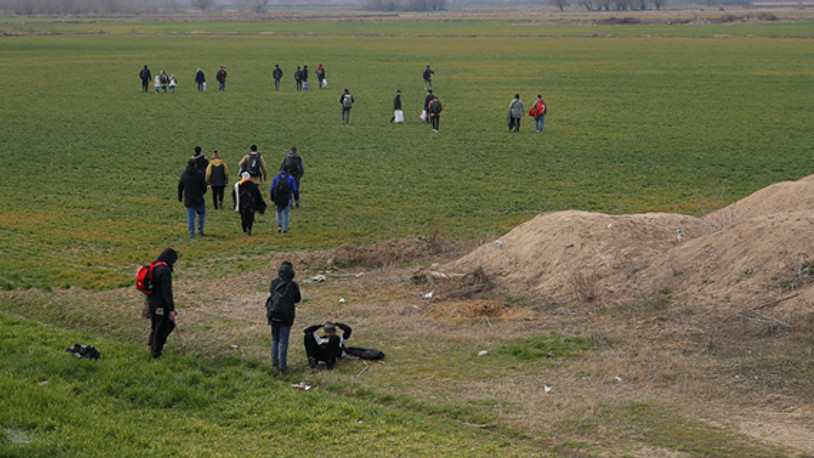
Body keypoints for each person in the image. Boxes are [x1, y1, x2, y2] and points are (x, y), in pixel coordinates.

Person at [267, 261, 301, 375]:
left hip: (273, 314)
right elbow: (297, 299)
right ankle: (283, 368)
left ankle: (275, 365)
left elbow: (271, 293)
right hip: (286, 316)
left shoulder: (274, 282)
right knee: (283, 342)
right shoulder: (293, 285)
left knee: (275, 340)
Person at [145, 248, 179, 359]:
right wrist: (171, 309)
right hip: (160, 304)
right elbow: (167, 292)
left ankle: (150, 345)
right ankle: (156, 354)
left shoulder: (153, 266)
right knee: (163, 328)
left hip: (150, 301)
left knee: (156, 326)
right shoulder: (164, 271)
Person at [178, 158, 207, 238]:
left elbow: (180, 186)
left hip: (188, 199)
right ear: (195, 165)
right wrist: (202, 193)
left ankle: (191, 233)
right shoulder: (200, 174)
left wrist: (180, 197)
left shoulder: (184, 174)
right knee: (201, 214)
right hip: (199, 198)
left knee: (191, 216)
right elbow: (204, 186)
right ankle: (200, 230)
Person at [232, 172, 266, 236]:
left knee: (243, 217)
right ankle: (249, 229)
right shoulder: (253, 185)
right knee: (250, 217)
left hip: (242, 205)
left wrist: (236, 204)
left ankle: (244, 230)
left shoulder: (238, 185)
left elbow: (234, 195)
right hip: (251, 204)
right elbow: (257, 195)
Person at [270, 167, 298, 233]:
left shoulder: (276, 178)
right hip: (287, 198)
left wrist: (272, 197)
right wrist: (296, 198)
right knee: (286, 214)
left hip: (278, 197)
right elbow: (295, 190)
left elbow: (272, 189)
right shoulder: (291, 178)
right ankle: (285, 229)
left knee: (278, 212)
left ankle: (279, 225)